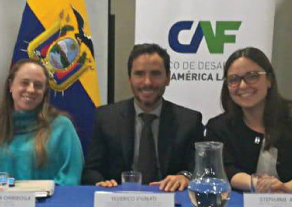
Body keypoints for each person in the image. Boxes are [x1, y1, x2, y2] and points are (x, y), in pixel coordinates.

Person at [206, 47, 292, 193]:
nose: (243, 85)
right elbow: (223, 169)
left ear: (269, 80)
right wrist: (258, 184)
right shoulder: (218, 127)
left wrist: (286, 189)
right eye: (233, 79)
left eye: (252, 76)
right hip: (241, 202)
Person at [82, 43, 203, 191]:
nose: (147, 82)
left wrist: (185, 177)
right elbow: (91, 171)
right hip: (120, 199)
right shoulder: (106, 118)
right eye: (139, 74)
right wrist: (102, 183)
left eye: (155, 74)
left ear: (168, 78)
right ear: (129, 78)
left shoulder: (189, 121)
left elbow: (199, 169)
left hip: (170, 198)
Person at [0, 59, 84, 186]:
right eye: (24, 83)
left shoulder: (62, 128)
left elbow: (70, 179)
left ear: (45, 92)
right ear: (10, 86)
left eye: (38, 85)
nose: (31, 89)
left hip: (50, 198)